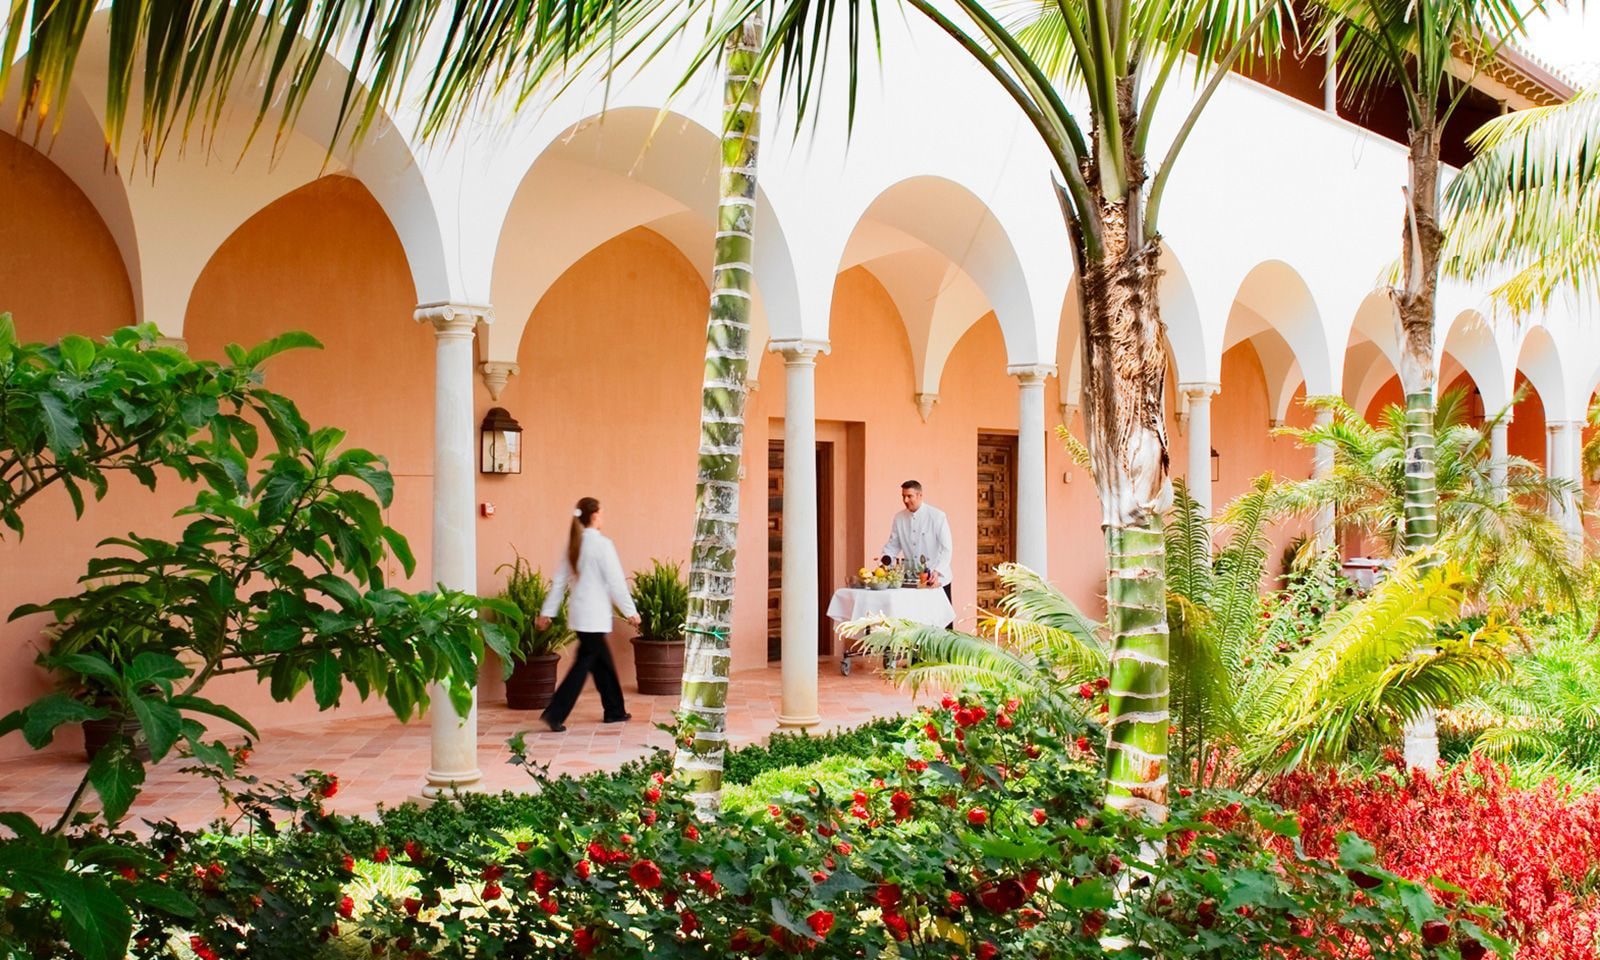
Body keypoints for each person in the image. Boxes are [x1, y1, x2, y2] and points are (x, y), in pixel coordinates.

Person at [536, 497, 639, 732]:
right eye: (601, 513)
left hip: (581, 616)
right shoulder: (602, 545)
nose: (603, 518)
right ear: (594, 516)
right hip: (594, 617)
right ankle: (555, 713)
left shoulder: (574, 545)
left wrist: (547, 612)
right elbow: (615, 582)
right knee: (584, 664)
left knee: (602, 663)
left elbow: (559, 583)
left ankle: (615, 710)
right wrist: (630, 612)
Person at [880, 479, 954, 607]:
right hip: (913, 580)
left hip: (937, 579)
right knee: (916, 623)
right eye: (903, 496)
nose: (905, 500)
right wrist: (885, 560)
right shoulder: (899, 518)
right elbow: (893, 545)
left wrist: (937, 572)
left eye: (909, 496)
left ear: (920, 495)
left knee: (940, 624)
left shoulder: (937, 516)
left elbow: (947, 548)